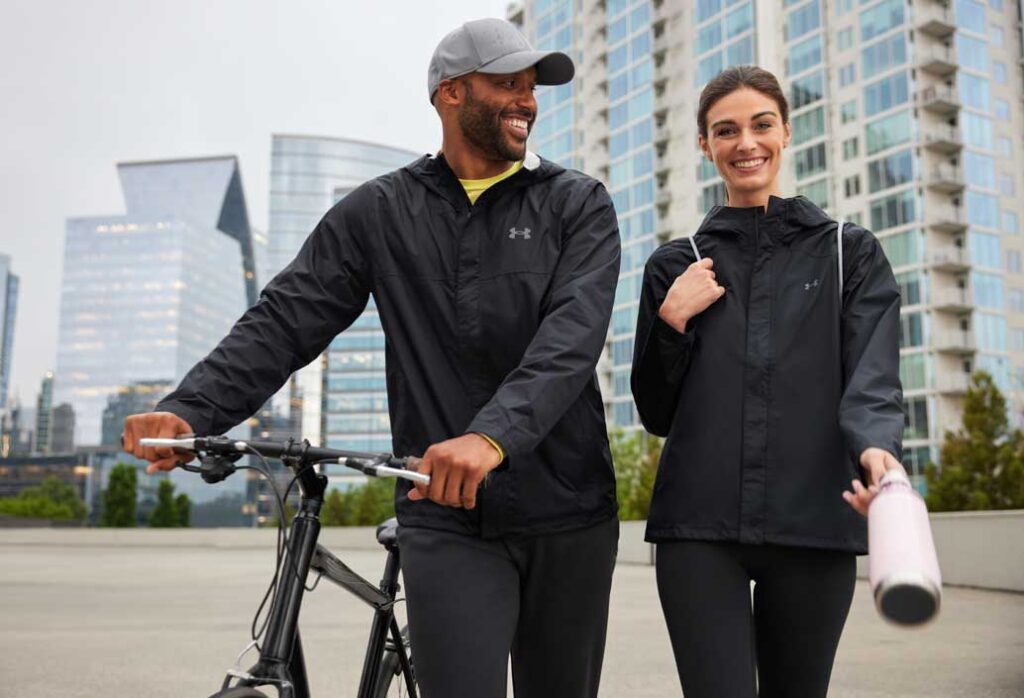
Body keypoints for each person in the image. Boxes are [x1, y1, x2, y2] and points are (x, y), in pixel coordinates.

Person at [122, 18, 621, 698]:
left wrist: (489, 437)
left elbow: (571, 338)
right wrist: (190, 408)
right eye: (506, 84)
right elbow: (285, 319)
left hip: (569, 509)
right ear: (451, 93)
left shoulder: (577, 203)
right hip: (444, 514)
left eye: (530, 88)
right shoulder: (379, 211)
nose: (526, 102)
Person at [631, 65, 904, 698]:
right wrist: (672, 319)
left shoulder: (848, 253)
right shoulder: (676, 264)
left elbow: (873, 379)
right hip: (699, 529)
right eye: (725, 131)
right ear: (705, 145)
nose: (745, 143)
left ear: (786, 133)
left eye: (761, 125)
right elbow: (655, 411)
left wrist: (877, 454)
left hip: (814, 519)